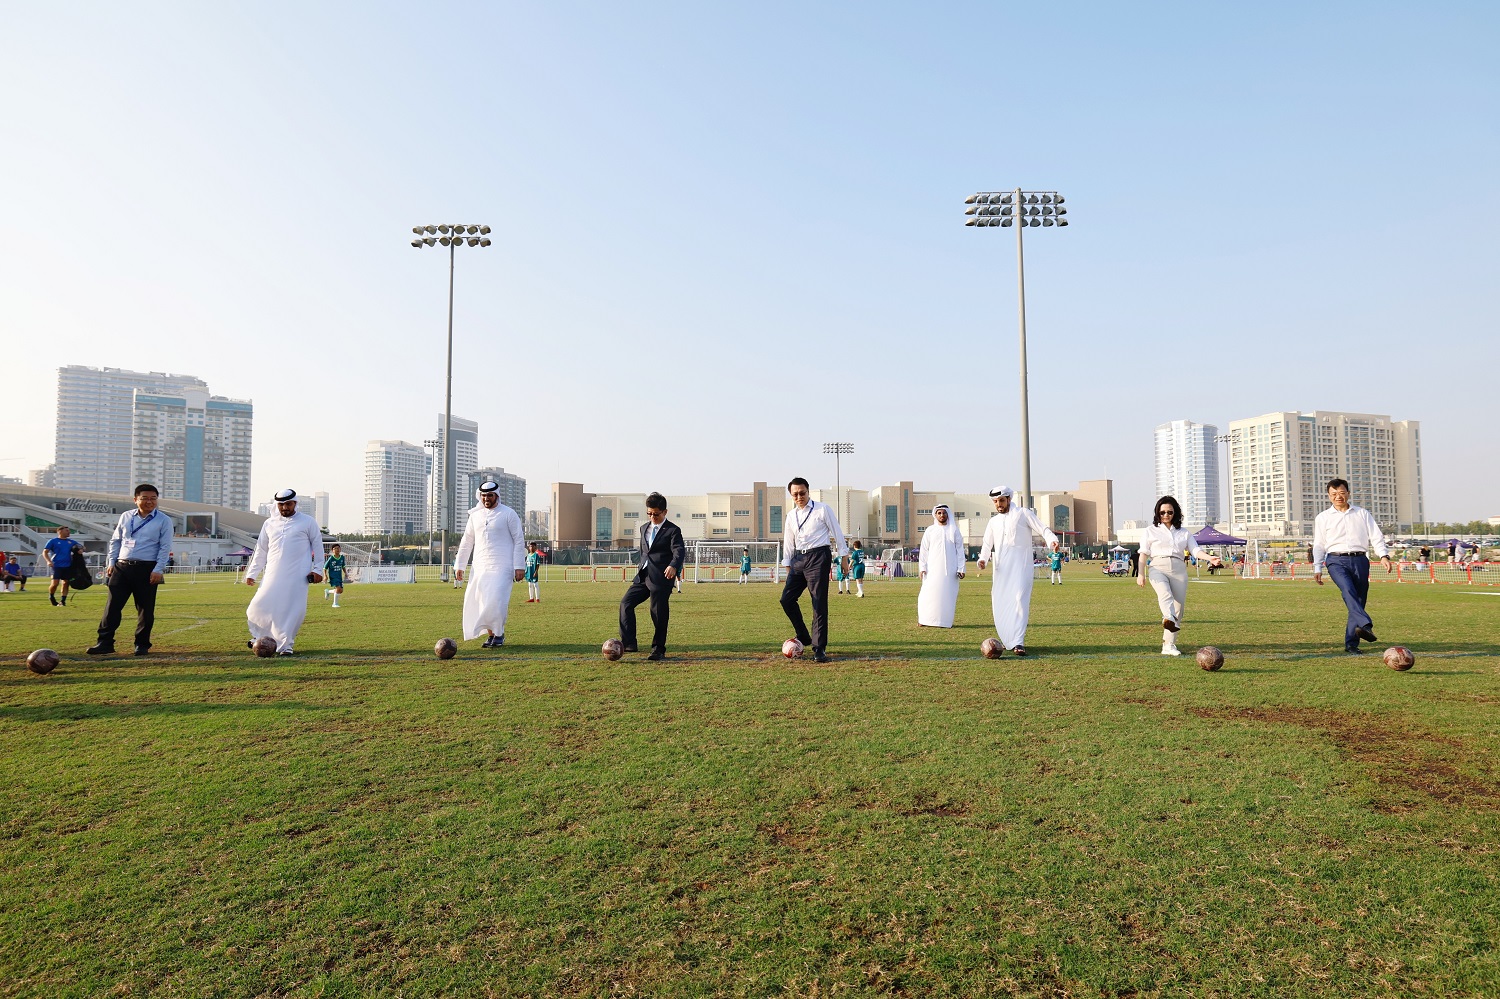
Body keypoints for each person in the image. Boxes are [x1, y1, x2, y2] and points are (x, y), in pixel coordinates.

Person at [89, 483, 174, 656]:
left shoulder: (164, 520)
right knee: (112, 607)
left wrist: (158, 569)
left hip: (147, 569)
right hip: (121, 567)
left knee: (145, 609)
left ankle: (142, 644)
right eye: (144, 498)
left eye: (153, 498)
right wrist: (111, 563)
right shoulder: (126, 516)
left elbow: (165, 547)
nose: (149, 502)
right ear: (135, 500)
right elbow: (116, 541)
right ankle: (105, 643)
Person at [1312, 477, 1393, 654]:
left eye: (1341, 493)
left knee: (1358, 601)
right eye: (1334, 494)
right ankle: (1366, 624)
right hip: (1335, 560)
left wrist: (1384, 556)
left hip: (1360, 560)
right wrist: (1317, 567)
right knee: (1348, 591)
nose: (1338, 497)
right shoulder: (1323, 518)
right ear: (1328, 496)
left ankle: (1351, 644)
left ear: (1348, 493)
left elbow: (1376, 536)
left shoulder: (1362, 514)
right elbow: (1319, 544)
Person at [976, 486, 1058, 657]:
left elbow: (1043, 529)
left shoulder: (1023, 513)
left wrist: (1053, 542)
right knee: (1001, 603)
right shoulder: (993, 522)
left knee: (1019, 600)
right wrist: (982, 559)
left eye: (1001, 501)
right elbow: (986, 544)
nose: (998, 504)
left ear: (1009, 499)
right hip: (1001, 569)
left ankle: (1018, 642)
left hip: (1021, 566)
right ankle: (1008, 641)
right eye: (995, 501)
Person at [1137, 495, 1223, 656]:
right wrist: (1140, 574)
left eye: (1169, 512)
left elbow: (1195, 551)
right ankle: (1167, 618)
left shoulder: (1184, 533)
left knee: (1178, 609)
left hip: (1178, 569)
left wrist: (1210, 558)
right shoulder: (1150, 530)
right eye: (1162, 512)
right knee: (1165, 595)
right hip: (1157, 567)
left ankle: (1169, 645)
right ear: (1157, 513)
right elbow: (1143, 554)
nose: (1166, 515)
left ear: (1175, 513)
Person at [244, 489, 325, 656]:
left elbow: (318, 547)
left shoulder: (307, 522)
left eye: (288, 504)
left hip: (298, 574)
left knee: (292, 609)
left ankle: (286, 645)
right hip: (273, 573)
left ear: (295, 503)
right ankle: (260, 637)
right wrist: (252, 573)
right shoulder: (269, 523)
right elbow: (261, 550)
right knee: (257, 606)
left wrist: (318, 570)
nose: (285, 507)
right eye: (281, 504)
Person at [779, 477, 847, 662]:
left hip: (819, 557)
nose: (799, 497)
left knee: (818, 602)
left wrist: (844, 558)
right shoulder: (791, 515)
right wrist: (788, 566)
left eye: (802, 493)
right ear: (791, 495)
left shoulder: (822, 509)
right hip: (798, 559)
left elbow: (837, 532)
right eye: (795, 494)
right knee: (786, 599)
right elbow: (788, 541)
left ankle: (819, 648)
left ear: (808, 492)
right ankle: (803, 635)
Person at [455, 481, 526, 648]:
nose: (486, 498)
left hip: (503, 566)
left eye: (490, 495)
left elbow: (518, 540)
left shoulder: (508, 514)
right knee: (482, 601)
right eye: (484, 495)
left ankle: (499, 634)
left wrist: (519, 566)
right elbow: (466, 542)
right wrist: (460, 565)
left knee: (497, 599)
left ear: (497, 496)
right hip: (480, 566)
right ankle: (491, 634)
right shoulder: (475, 516)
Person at [618, 492, 684, 660]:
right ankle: (629, 643)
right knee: (626, 603)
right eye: (649, 513)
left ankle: (658, 649)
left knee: (658, 613)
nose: (652, 517)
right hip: (643, 575)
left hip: (662, 577)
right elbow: (644, 552)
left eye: (656, 514)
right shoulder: (643, 528)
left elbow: (679, 551)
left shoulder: (673, 530)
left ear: (665, 512)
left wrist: (673, 566)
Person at [918, 504, 965, 627]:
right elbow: (924, 550)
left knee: (947, 596)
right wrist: (922, 568)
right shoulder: (930, 530)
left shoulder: (954, 530)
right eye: (939, 513)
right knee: (927, 594)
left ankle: (944, 621)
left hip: (950, 570)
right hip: (932, 569)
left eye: (944, 513)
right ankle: (924, 620)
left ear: (947, 514)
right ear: (935, 515)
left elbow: (960, 550)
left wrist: (961, 568)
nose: (942, 515)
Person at [44, 527, 84, 606]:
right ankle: (51, 596)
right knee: (55, 584)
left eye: (69, 530)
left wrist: (80, 550)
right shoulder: (53, 541)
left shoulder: (71, 542)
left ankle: (63, 600)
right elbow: (45, 552)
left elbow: (82, 547)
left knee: (66, 583)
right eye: (67, 531)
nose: (69, 532)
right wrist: (48, 561)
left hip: (68, 565)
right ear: (60, 531)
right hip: (56, 565)